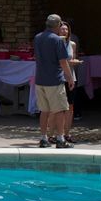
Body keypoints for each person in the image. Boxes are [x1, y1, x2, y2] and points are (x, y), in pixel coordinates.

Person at [33, 14, 70, 148]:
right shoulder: (57, 40)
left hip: (40, 79)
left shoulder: (37, 38)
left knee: (44, 110)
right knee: (60, 110)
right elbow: (63, 62)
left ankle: (44, 138)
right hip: (54, 80)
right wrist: (70, 78)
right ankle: (60, 139)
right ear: (58, 25)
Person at [55, 18, 81, 145]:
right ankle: (56, 133)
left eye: (66, 29)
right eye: (62, 29)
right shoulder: (55, 43)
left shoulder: (72, 44)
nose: (64, 31)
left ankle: (67, 133)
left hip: (71, 76)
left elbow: (73, 58)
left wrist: (74, 62)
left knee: (70, 106)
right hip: (59, 77)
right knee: (58, 107)